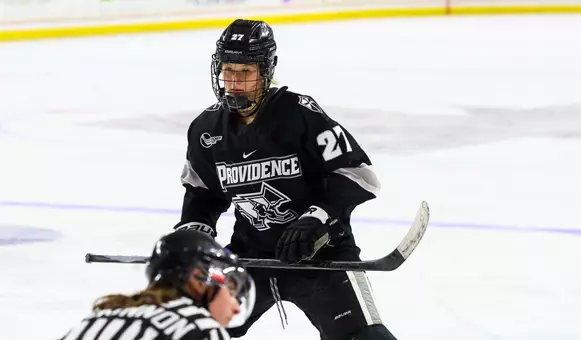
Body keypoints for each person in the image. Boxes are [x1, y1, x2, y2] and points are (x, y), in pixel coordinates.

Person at [176, 18, 395, 340]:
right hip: (248, 260)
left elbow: (357, 174)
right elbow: (203, 192)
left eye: (245, 72)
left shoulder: (300, 113)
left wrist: (317, 219)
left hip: (322, 257)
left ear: (266, 70)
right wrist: (194, 233)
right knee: (184, 331)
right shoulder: (206, 128)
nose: (235, 82)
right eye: (228, 70)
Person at [59, 230, 256, 340]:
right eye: (230, 291)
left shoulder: (102, 317)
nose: (236, 308)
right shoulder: (200, 330)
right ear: (198, 280)